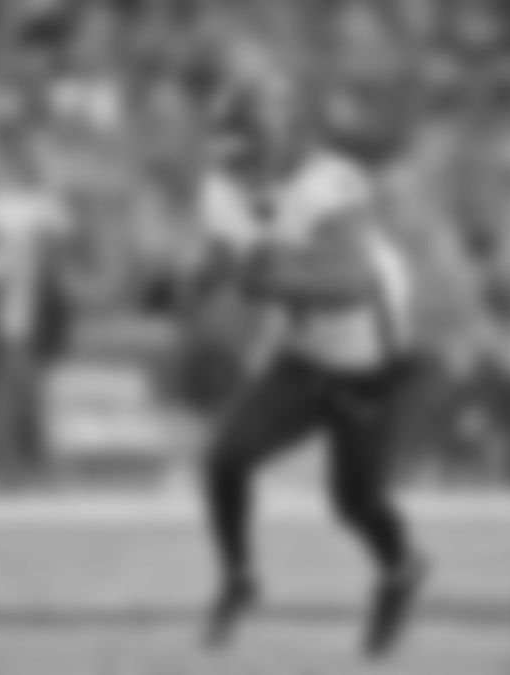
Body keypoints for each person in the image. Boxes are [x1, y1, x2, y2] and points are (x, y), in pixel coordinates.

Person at [194, 79, 428, 658]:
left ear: (283, 136)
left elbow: (349, 284)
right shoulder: (223, 187)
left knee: (355, 503)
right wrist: (204, 279)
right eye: (230, 149)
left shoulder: (330, 185)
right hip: (306, 354)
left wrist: (263, 278)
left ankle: (401, 570)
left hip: (370, 360)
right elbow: (225, 260)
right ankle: (239, 578)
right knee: (225, 458)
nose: (238, 165)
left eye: (249, 146)